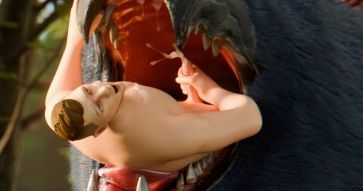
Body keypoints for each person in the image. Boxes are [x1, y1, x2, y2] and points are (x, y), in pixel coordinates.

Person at [45, 25, 261, 174]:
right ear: (100, 130)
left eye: (88, 91)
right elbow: (251, 118)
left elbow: (74, 40)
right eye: (100, 106)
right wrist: (208, 89)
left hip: (174, 119)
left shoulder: (60, 110)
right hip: (183, 139)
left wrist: (81, 31)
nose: (104, 90)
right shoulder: (162, 134)